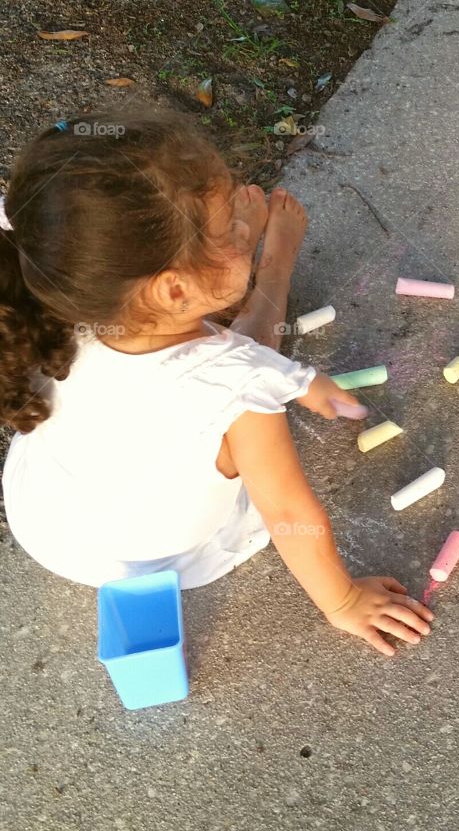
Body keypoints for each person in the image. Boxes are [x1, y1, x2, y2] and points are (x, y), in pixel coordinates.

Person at [0, 112, 432, 657]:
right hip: (167, 554)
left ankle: (260, 276)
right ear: (174, 291)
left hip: (56, 527)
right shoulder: (238, 389)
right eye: (232, 227)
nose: (245, 227)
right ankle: (276, 272)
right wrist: (343, 602)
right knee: (237, 385)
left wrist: (299, 381)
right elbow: (289, 514)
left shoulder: (56, 292)